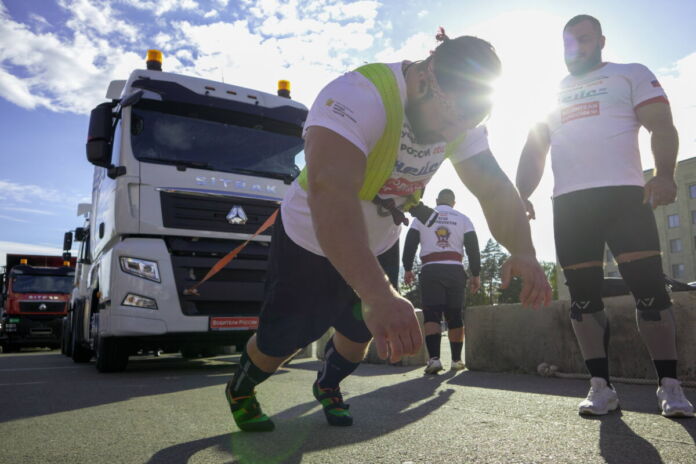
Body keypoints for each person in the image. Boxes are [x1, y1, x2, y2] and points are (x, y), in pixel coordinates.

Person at [226, 28, 552, 433]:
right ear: (424, 80)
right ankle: (241, 388)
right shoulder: (356, 96)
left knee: (359, 333)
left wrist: (523, 250)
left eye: (462, 127)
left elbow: (493, 187)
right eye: (448, 121)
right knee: (285, 339)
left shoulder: (461, 116)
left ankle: (327, 384)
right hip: (312, 235)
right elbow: (330, 196)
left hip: (379, 236)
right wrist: (379, 293)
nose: (451, 136)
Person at [516, 15, 694, 417]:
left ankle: (669, 385)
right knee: (582, 297)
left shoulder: (630, 74)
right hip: (570, 203)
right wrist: (520, 195)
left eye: (582, 40)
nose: (574, 48)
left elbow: (661, 125)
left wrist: (664, 174)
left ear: (600, 40)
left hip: (624, 198)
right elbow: (533, 150)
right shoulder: (550, 92)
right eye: (568, 42)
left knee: (649, 289)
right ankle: (601, 386)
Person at [402, 188, 481, 373]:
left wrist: (407, 268)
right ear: (454, 202)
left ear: (437, 201)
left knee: (432, 315)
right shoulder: (463, 218)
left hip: (431, 269)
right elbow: (473, 247)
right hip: (455, 268)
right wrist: (475, 273)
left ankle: (435, 360)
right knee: (455, 315)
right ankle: (456, 360)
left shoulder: (421, 217)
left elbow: (410, 243)